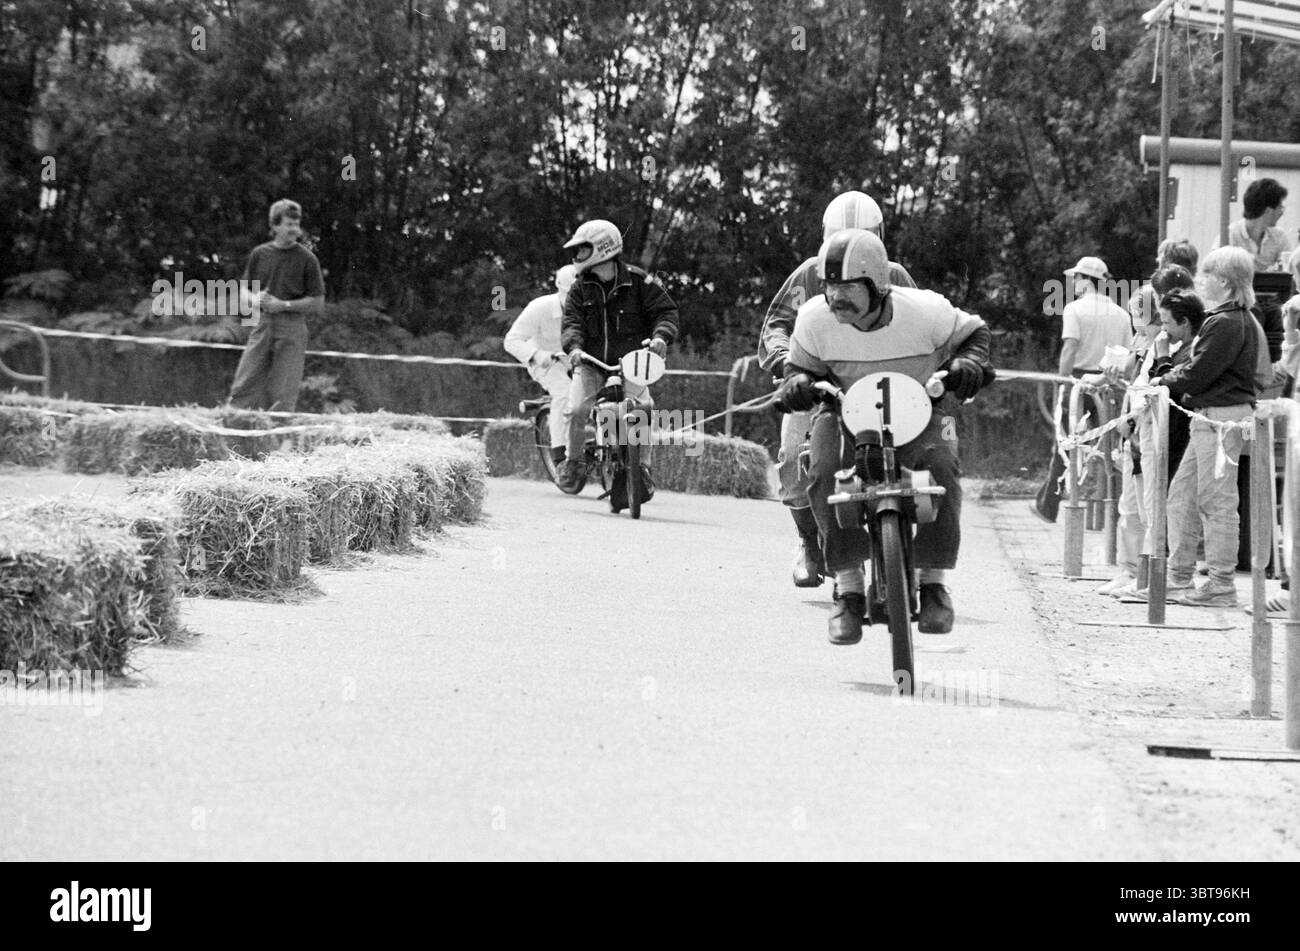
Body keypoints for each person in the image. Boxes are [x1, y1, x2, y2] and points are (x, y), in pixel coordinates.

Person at [777, 229, 994, 644]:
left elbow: (975, 334)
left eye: (847, 288)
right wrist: (798, 382)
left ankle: (933, 584)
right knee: (822, 472)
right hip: (844, 411)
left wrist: (968, 364)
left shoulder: (925, 310)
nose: (835, 298)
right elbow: (796, 367)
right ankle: (849, 589)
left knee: (942, 469)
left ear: (877, 284)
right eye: (829, 287)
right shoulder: (813, 319)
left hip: (919, 409)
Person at [757, 191, 916, 588]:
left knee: (917, 455)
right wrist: (787, 365)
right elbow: (777, 324)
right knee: (795, 460)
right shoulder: (809, 275)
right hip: (815, 384)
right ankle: (810, 544)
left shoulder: (896, 276)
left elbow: (919, 323)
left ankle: (903, 541)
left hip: (880, 387)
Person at [1147, 248, 1261, 607]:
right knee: (1181, 496)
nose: (1202, 281)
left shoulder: (1227, 321)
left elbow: (1198, 371)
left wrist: (1164, 377)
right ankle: (1180, 575)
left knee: (1217, 502)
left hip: (1220, 418)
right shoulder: (1228, 318)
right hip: (1210, 418)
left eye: (1208, 275)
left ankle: (1221, 583)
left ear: (1224, 281)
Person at [557, 219, 680, 510]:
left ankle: (643, 470)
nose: (577, 257)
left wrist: (661, 337)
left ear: (603, 247)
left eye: (583, 249)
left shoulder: (640, 282)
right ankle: (573, 464)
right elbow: (572, 323)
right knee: (576, 410)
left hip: (633, 362)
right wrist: (574, 348)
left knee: (644, 408)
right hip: (590, 362)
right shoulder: (578, 289)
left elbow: (666, 312)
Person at [1033, 256, 1133, 522]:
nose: (1074, 283)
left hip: (1078, 380)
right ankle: (1112, 515)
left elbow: (1070, 347)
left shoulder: (1075, 310)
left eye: (1077, 278)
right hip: (1110, 382)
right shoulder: (1122, 314)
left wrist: (1062, 379)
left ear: (1087, 280)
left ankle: (1048, 506)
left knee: (1066, 442)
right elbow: (1127, 356)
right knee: (1110, 447)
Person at [228, 199, 325, 413]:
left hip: (292, 327)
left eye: (296, 224)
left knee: (283, 393)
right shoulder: (259, 254)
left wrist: (284, 305)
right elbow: (243, 291)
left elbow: (317, 302)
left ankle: (277, 443)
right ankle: (231, 437)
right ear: (275, 226)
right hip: (261, 323)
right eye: (289, 224)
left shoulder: (307, 259)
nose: (295, 229)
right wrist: (255, 300)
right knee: (244, 383)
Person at [504, 265, 578, 466]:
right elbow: (511, 341)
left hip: (578, 360)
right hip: (546, 362)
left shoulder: (592, 308)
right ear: (561, 291)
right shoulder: (540, 307)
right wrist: (539, 355)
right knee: (564, 391)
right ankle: (560, 456)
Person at [1227, 178, 1295, 271]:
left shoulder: (1279, 236)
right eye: (1280, 207)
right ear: (1268, 211)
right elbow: (1213, 271)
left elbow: (1290, 269)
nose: (1282, 213)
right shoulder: (1231, 235)